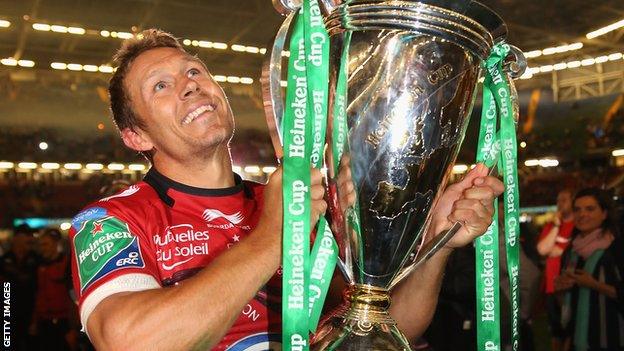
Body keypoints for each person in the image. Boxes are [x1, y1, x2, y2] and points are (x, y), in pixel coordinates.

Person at [68, 29, 504, 350]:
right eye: (160, 85)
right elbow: (130, 342)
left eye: (195, 71)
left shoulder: (296, 202)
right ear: (135, 136)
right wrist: (275, 237)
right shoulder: (110, 220)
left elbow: (385, 328)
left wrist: (437, 243)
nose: (190, 85)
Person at [555, 188, 624, 351]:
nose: (582, 214)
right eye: (577, 209)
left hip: (611, 340)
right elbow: (566, 307)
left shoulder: (616, 247)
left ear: (605, 213)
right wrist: (560, 291)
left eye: (590, 209)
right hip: (577, 341)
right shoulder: (571, 251)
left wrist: (594, 285)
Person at [537, 189, 575, 351]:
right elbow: (542, 250)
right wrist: (556, 226)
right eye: (558, 200)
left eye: (564, 200)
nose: (560, 203)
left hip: (569, 286)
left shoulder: (577, 225)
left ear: (573, 202)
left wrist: (556, 249)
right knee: (555, 331)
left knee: (571, 330)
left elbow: (557, 252)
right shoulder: (552, 225)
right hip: (551, 286)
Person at [31, 228, 78, 350]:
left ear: (56, 244)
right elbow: (37, 294)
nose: (43, 248)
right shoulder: (39, 265)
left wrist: (73, 328)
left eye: (46, 244)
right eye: (41, 245)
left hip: (63, 324)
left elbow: (74, 296)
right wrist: (34, 322)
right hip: (45, 323)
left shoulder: (67, 264)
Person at [0, 225, 39, 351]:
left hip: (30, 313)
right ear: (16, 238)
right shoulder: (4, 260)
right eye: (26, 236)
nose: (30, 239)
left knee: (30, 345)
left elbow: (39, 288)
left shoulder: (36, 259)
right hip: (8, 314)